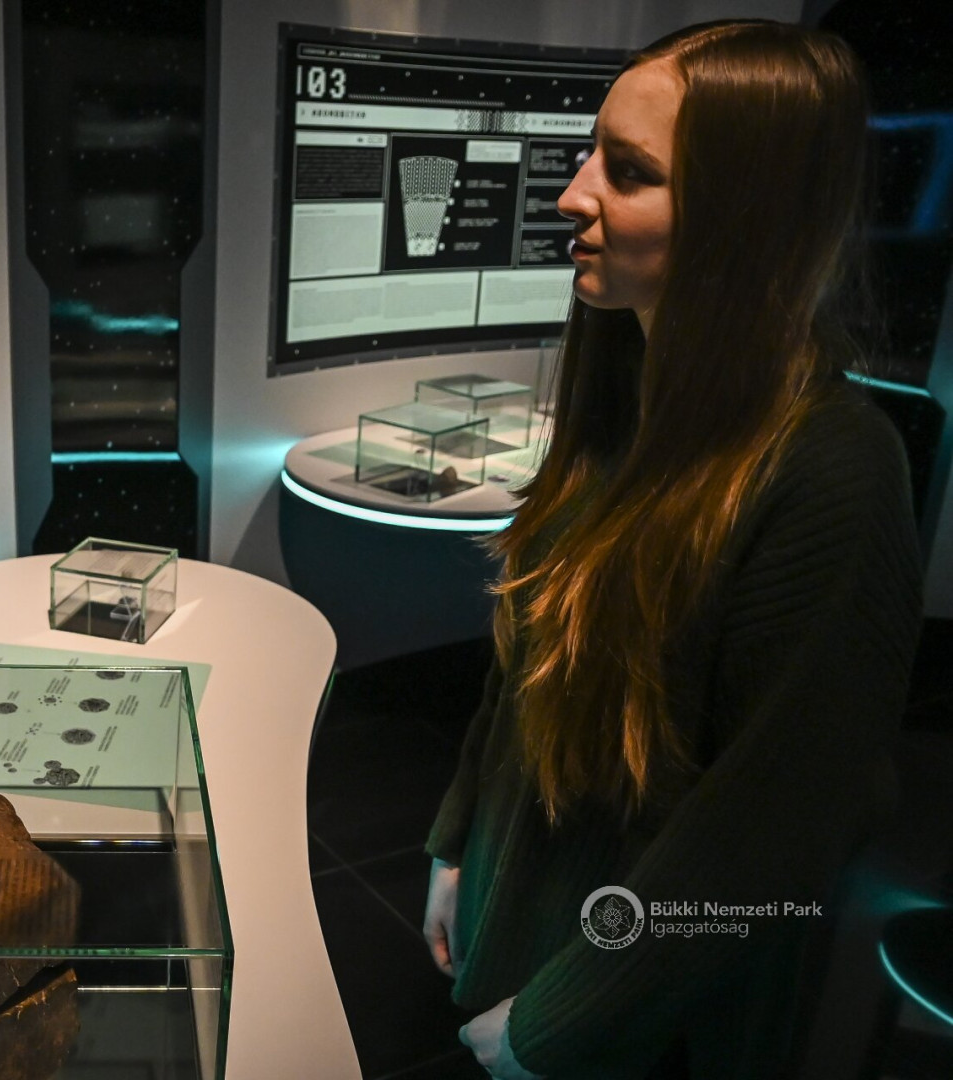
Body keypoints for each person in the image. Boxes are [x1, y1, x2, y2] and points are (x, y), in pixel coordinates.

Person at [420, 18, 923, 1080]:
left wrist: (562, 1022)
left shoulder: (834, 469)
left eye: (631, 172)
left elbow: (770, 833)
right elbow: (527, 658)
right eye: (592, 154)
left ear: (747, 219)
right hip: (534, 932)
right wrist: (460, 840)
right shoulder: (620, 391)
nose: (574, 195)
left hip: (645, 1019)